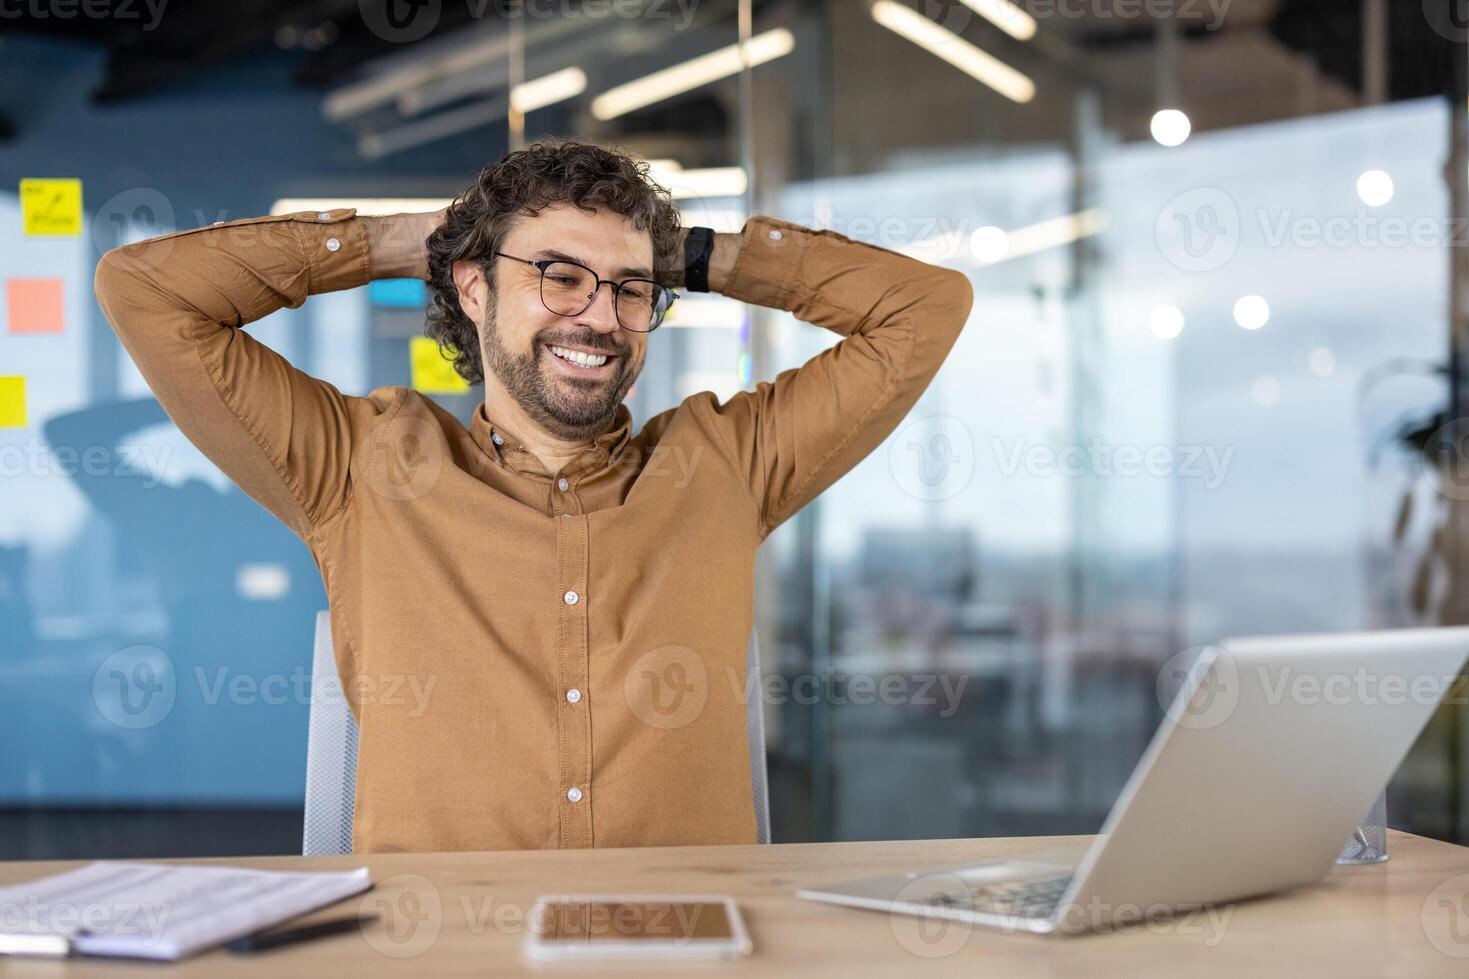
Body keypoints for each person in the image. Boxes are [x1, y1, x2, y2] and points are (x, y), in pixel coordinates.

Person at [94, 137, 974, 853]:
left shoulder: (727, 465)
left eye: (632, 289)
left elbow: (924, 306)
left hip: (685, 949)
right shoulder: (357, 467)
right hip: (439, 951)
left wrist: (699, 256)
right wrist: (407, 242)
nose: (597, 316)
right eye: (558, 275)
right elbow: (145, 291)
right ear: (475, 289)